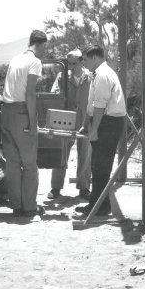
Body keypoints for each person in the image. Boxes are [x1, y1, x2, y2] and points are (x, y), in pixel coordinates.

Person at [75, 45, 126, 216]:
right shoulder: (98, 74)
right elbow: (92, 104)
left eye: (86, 60)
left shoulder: (103, 75)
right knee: (98, 167)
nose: (85, 64)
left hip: (108, 123)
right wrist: (87, 124)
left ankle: (99, 207)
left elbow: (100, 106)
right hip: (104, 122)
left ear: (95, 58)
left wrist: (94, 129)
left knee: (101, 167)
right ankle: (97, 205)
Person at [1, 30, 48, 216]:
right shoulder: (34, 62)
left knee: (12, 163)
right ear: (42, 44)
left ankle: (16, 205)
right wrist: (32, 120)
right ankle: (29, 207)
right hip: (21, 112)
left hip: (6, 111)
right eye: (45, 47)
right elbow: (30, 93)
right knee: (29, 164)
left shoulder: (15, 59)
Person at [48, 49, 92, 200]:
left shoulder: (90, 77)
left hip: (85, 117)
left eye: (74, 63)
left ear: (81, 61)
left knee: (85, 153)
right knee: (62, 151)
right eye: (69, 63)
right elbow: (54, 93)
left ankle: (84, 187)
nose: (71, 66)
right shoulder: (62, 76)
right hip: (67, 117)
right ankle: (55, 187)